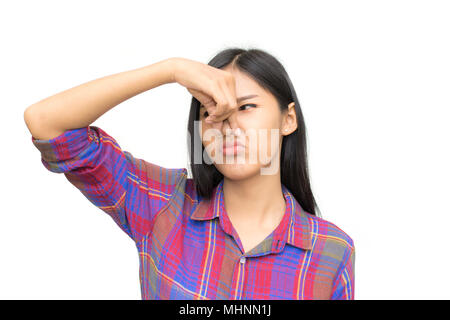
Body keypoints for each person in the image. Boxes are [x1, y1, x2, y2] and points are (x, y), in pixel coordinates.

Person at [24, 48, 355, 300]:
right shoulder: (163, 203)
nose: (228, 124)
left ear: (288, 120)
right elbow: (47, 124)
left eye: (246, 107)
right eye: (211, 110)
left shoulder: (332, 252)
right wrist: (171, 70)